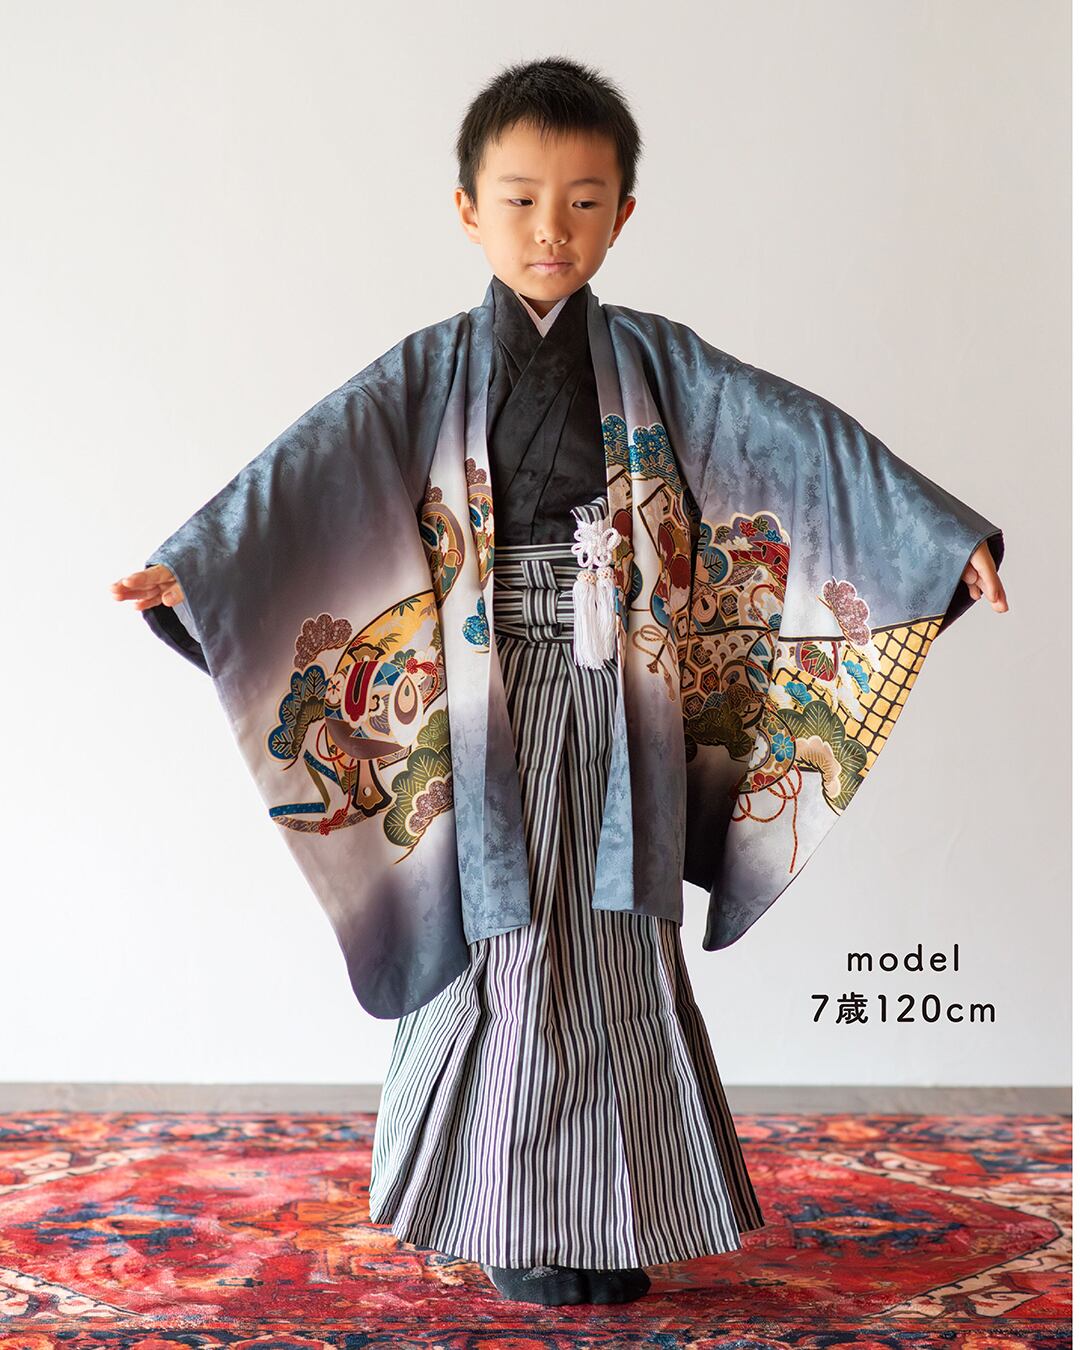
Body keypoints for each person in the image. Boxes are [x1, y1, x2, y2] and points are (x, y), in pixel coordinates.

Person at [111, 56, 1008, 1308]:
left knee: (616, 937)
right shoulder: (428, 371)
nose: (552, 228)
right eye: (522, 199)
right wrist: (199, 567)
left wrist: (934, 539)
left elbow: (797, 439)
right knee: (505, 938)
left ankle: (616, 1211)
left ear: (623, 215)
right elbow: (307, 467)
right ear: (467, 209)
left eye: (584, 202)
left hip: (622, 700)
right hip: (483, 705)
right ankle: (511, 1211)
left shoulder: (658, 362)